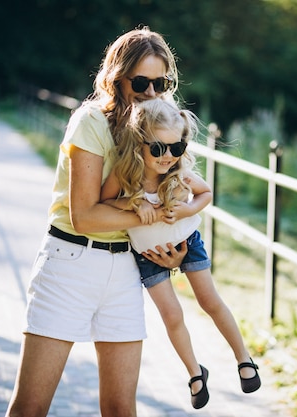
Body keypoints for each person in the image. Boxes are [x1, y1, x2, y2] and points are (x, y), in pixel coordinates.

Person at [5, 27, 189, 417]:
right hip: (71, 262)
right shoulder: (91, 120)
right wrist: (143, 214)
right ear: (116, 78)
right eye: (141, 82)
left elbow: (172, 200)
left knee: (122, 409)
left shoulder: (159, 128)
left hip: (125, 269)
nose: (152, 93)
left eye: (162, 83)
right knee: (31, 408)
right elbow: (84, 215)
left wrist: (168, 252)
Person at [100, 98, 261, 410]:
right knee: (172, 315)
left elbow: (207, 193)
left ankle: (244, 358)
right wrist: (135, 203)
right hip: (148, 254)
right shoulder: (124, 175)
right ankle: (196, 373)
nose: (168, 157)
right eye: (159, 149)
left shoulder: (179, 172)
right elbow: (104, 202)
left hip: (187, 240)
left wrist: (187, 208)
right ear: (139, 142)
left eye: (177, 148)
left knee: (209, 300)